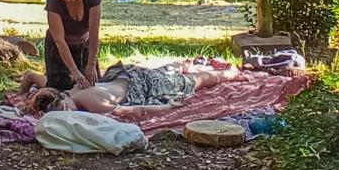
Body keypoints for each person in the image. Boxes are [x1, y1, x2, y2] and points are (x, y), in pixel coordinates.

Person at [23, 60, 241, 118]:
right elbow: (35, 79)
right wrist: (27, 94)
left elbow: (135, 110)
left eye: (65, 111)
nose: (68, 113)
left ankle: (228, 74)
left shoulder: (90, 102)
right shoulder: (64, 92)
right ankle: (182, 64)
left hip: (140, 84)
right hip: (122, 76)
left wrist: (168, 107)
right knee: (163, 71)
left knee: (194, 82)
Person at [41, 0, 102, 91]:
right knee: (61, 88)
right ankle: (32, 77)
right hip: (59, 47)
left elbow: (94, 34)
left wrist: (91, 64)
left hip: (83, 44)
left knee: (88, 85)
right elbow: (59, 40)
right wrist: (74, 71)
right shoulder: (53, 2)